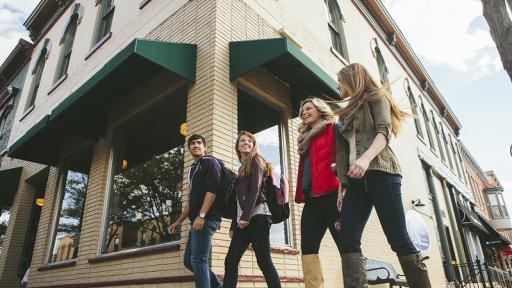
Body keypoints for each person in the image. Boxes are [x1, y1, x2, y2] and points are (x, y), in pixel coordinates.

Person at [335, 63, 432, 287]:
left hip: (382, 172)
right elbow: (343, 154)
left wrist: (366, 158)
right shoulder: (344, 115)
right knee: (348, 238)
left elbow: (384, 131)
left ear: (352, 79)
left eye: (340, 80)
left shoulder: (377, 97)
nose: (337, 84)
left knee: (397, 238)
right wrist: (343, 186)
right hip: (355, 181)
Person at [223, 131, 281, 288]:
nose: (246, 143)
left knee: (263, 261)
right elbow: (238, 201)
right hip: (245, 221)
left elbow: (255, 189)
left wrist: (246, 217)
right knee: (231, 260)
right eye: (243, 141)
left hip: (258, 218)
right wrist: (234, 225)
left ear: (254, 145)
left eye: (250, 141)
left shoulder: (256, 160)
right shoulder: (243, 167)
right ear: (237, 146)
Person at [295, 98, 342, 287]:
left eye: (308, 108)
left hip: (333, 196)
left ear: (320, 110)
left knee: (346, 244)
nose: (304, 112)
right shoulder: (306, 139)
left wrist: (343, 185)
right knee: (308, 248)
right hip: (312, 200)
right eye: (302, 110)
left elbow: (343, 157)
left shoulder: (333, 129)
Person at [169, 134, 222, 288]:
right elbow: (191, 201)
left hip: (207, 218)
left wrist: (202, 215)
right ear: (189, 149)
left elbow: (213, 189)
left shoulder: (210, 162)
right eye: (192, 143)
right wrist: (178, 221)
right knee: (190, 261)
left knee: (199, 260)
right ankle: (219, 285)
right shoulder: (192, 170)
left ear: (205, 147)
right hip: (196, 221)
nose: (196, 145)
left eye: (199, 143)